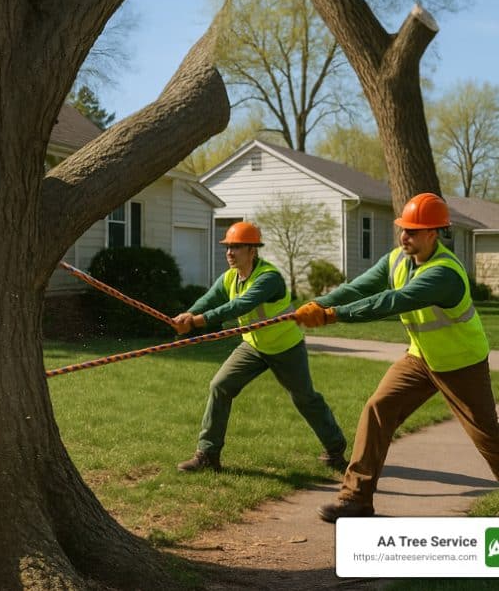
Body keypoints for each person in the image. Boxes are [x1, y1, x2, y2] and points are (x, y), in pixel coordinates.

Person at [296, 193, 498, 522]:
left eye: (412, 231)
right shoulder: (395, 261)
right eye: (403, 229)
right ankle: (356, 498)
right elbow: (358, 288)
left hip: (461, 363)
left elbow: (390, 302)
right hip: (421, 359)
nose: (404, 236)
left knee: (488, 436)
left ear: (433, 233)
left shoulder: (443, 273)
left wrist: (332, 316)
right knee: (379, 409)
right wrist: (320, 303)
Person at [171, 222, 347, 472]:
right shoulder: (231, 277)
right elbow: (211, 298)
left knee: (304, 398)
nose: (230, 253)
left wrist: (198, 322)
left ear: (252, 250)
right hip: (253, 346)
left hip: (286, 346)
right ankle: (208, 455)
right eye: (228, 247)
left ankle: (335, 449)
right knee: (220, 386)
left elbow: (240, 306)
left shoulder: (269, 278)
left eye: (236, 247)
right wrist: (188, 314)